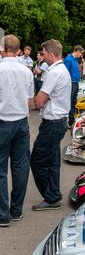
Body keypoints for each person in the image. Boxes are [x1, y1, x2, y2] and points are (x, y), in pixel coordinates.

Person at [31, 39, 71, 211]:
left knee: (37, 160)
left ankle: (51, 196)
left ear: (52, 54)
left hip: (53, 123)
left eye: (45, 53)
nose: (43, 56)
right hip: (59, 121)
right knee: (53, 161)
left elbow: (39, 101)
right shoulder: (62, 69)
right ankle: (53, 194)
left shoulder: (54, 72)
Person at [0, 35, 34, 227]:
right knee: (20, 166)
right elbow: (30, 99)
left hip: (3, 121)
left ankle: (2, 214)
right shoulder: (26, 71)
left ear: (3, 49)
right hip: (21, 122)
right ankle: (16, 210)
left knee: (0, 169)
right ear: (19, 50)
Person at [64, 45, 84, 126]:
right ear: (77, 51)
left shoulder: (75, 60)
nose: (81, 55)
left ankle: (71, 122)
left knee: (73, 102)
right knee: (68, 103)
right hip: (71, 83)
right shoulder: (68, 59)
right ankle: (65, 123)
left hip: (76, 83)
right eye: (81, 53)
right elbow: (65, 72)